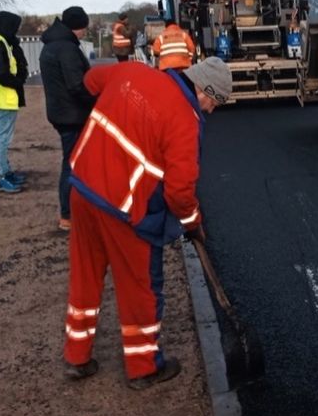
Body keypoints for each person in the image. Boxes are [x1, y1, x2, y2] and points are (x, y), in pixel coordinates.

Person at [62, 57, 232, 390]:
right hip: (124, 207)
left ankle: (76, 356)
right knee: (139, 286)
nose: (211, 111)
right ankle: (143, 367)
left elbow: (91, 82)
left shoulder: (132, 71)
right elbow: (180, 191)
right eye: (215, 102)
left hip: (82, 188)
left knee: (85, 274)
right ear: (203, 91)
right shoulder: (185, 120)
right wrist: (192, 222)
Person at [39, 6, 96, 232]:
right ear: (77, 26)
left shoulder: (51, 46)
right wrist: (95, 100)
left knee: (73, 161)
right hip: (72, 115)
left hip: (60, 112)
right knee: (73, 163)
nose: (84, 33)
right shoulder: (67, 49)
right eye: (83, 28)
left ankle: (75, 211)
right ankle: (68, 215)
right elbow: (76, 85)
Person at [0, 10, 28, 193]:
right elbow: (1, 73)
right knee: (3, 139)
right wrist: (16, 82)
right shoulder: (0, 44)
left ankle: (6, 172)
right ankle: (2, 176)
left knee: (3, 137)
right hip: (4, 98)